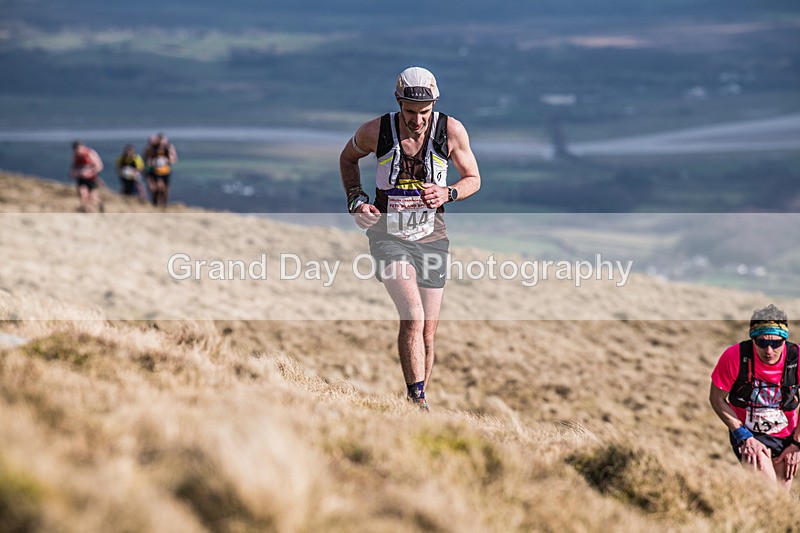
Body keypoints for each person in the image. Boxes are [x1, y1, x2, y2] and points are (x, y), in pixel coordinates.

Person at [339, 66, 481, 411]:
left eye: (424, 112)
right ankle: (418, 401)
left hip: (433, 238)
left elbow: (473, 178)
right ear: (398, 101)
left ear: (434, 105)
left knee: (428, 332)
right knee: (413, 316)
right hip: (388, 236)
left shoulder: (451, 130)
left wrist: (448, 192)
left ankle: (415, 406)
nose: (417, 120)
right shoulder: (375, 131)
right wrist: (356, 200)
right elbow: (347, 159)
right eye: (410, 112)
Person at [709, 304, 800, 490]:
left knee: (781, 498)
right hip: (749, 433)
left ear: (785, 339)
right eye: (762, 342)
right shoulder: (735, 356)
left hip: (786, 435)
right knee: (769, 491)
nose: (769, 350)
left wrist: (797, 444)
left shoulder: (796, 358)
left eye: (776, 343)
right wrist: (743, 436)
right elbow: (717, 398)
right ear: (753, 339)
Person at [69, 140, 105, 213]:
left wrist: (91, 172)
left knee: (92, 197)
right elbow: (74, 166)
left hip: (91, 178)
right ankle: (86, 210)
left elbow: (99, 166)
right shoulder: (75, 156)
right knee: (82, 194)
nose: (78, 151)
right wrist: (73, 173)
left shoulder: (90, 154)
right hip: (81, 177)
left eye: (79, 149)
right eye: (76, 149)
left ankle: (100, 205)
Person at [144, 133, 178, 207]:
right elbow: (147, 159)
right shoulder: (152, 148)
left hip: (166, 171)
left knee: (165, 189)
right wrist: (151, 164)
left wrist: (167, 159)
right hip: (155, 171)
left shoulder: (168, 148)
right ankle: (155, 202)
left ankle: (164, 204)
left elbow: (174, 159)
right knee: (157, 187)